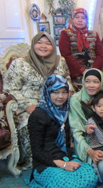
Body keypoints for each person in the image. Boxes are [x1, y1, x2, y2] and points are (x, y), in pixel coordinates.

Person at [4, 32, 73, 169]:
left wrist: (68, 94)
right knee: (30, 122)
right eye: (39, 42)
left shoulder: (60, 61)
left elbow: (67, 80)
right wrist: (27, 105)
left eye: (48, 43)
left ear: (53, 46)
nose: (43, 46)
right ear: (33, 44)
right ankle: (37, 161)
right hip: (30, 104)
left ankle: (62, 154)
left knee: (71, 118)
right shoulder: (20, 64)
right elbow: (10, 88)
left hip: (57, 101)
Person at [28, 75, 98, 188]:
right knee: (66, 186)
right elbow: (36, 152)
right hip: (46, 163)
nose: (60, 96)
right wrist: (63, 165)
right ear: (48, 92)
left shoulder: (64, 111)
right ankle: (42, 184)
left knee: (91, 176)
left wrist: (67, 161)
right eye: (56, 92)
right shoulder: (38, 115)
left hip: (64, 155)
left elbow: (66, 143)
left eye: (64, 92)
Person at [69, 69, 103, 164]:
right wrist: (90, 152)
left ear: (101, 83)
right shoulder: (76, 100)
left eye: (95, 82)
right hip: (87, 142)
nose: (91, 85)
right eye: (87, 81)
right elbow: (77, 132)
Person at [59, 8, 103, 89]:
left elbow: (100, 54)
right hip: (75, 74)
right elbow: (66, 55)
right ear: (72, 19)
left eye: (83, 18)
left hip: (93, 73)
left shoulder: (94, 34)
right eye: (77, 17)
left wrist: (93, 71)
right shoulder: (66, 34)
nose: (80, 20)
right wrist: (82, 70)